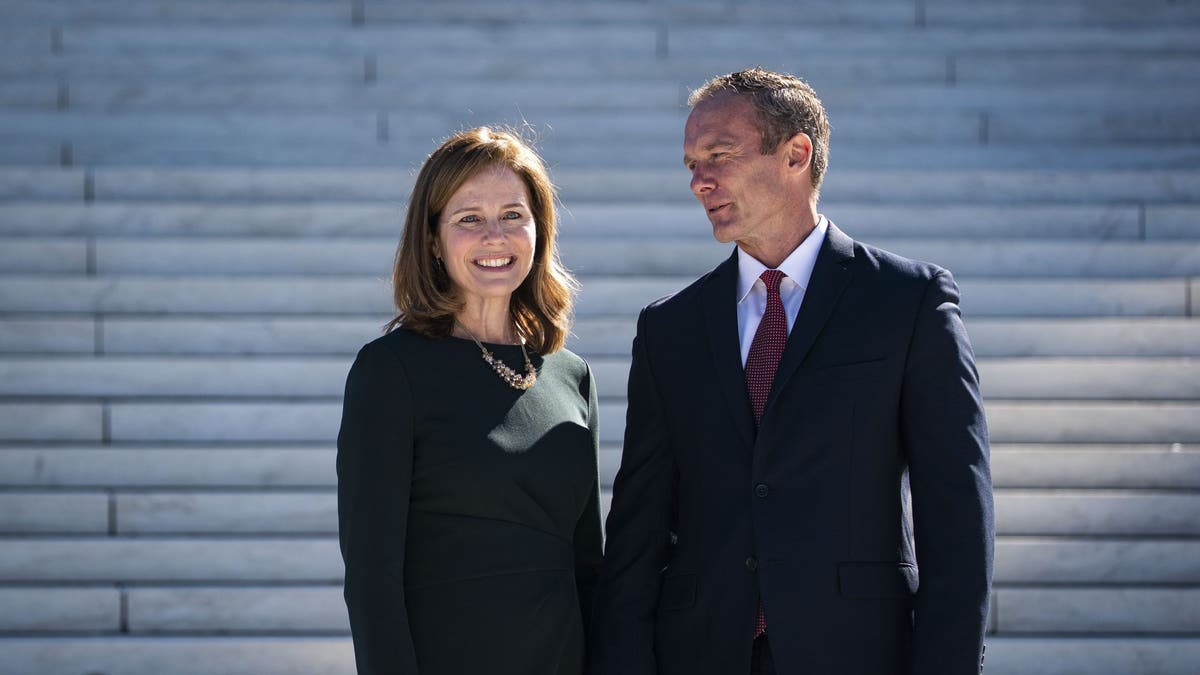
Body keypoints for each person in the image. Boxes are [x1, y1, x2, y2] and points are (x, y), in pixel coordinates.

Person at [590, 68, 994, 674]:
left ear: (796, 154)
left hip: (857, 653)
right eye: (691, 164)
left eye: (718, 156)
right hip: (701, 653)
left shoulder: (907, 302)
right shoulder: (668, 328)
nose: (700, 182)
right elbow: (637, 528)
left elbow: (958, 516)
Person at [337, 127, 603, 675]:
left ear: (539, 230)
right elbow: (371, 578)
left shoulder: (570, 376)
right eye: (468, 219)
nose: (495, 236)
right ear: (433, 239)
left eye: (512, 215)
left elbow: (588, 568)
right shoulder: (390, 371)